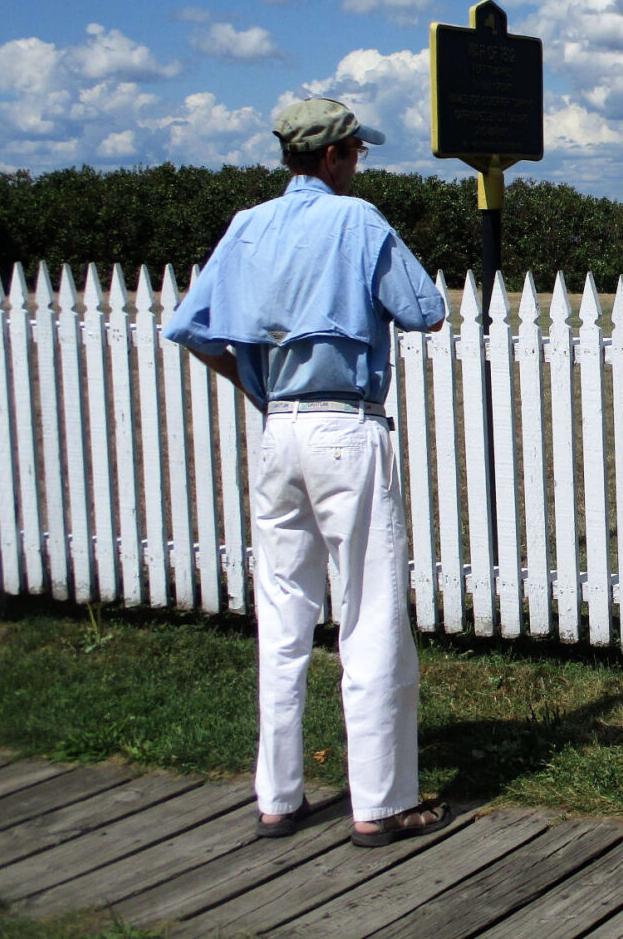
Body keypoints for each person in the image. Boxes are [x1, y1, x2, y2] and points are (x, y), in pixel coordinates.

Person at [163, 96, 453, 847]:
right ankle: (380, 801)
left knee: (284, 616)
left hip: (278, 431)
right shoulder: (356, 222)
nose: (359, 164)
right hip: (345, 427)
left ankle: (278, 795)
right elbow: (425, 309)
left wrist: (257, 385)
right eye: (355, 152)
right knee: (369, 611)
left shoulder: (247, 225)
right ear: (331, 157)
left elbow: (191, 328)